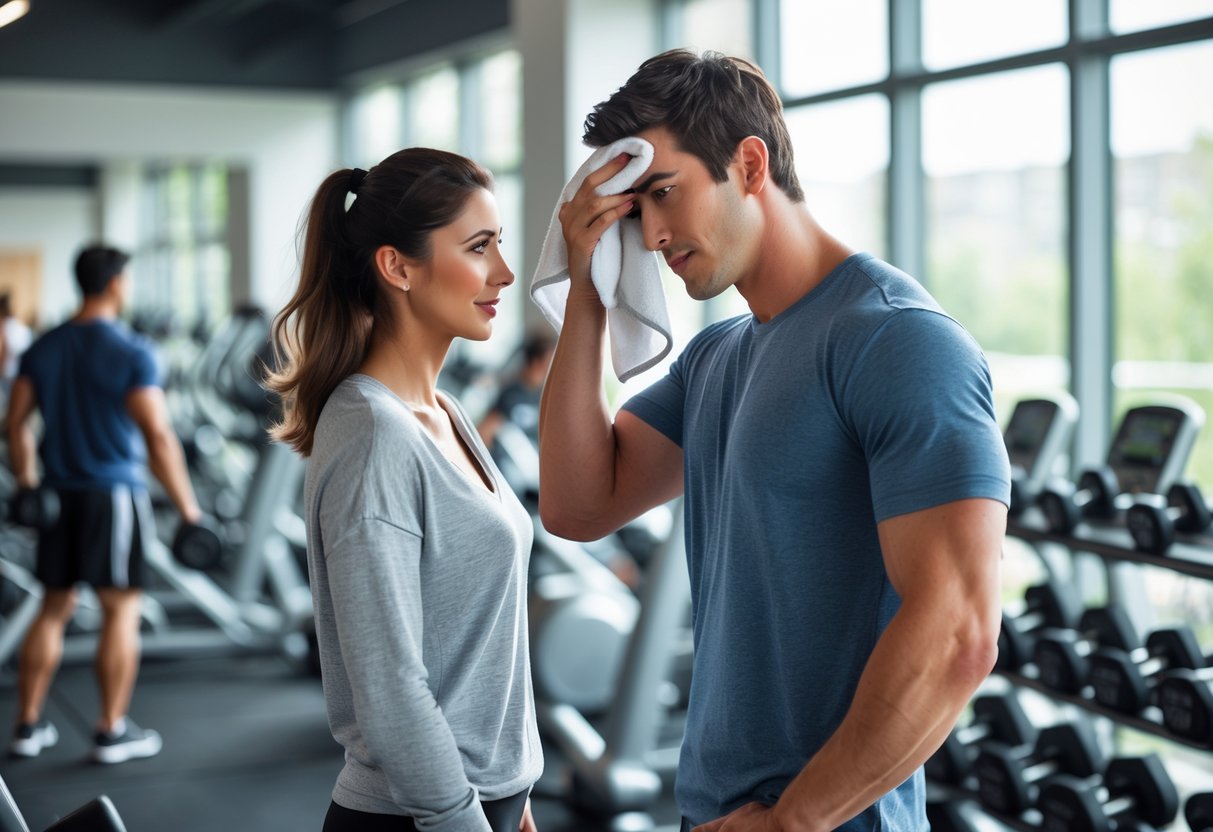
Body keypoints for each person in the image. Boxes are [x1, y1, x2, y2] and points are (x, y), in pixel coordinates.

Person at [537, 50, 1010, 832]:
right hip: (717, 810)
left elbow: (960, 632)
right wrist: (588, 289)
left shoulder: (896, 340)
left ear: (748, 164)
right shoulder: (718, 357)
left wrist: (794, 820)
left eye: (664, 195)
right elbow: (577, 505)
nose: (652, 234)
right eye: (635, 212)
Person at [266, 148, 542, 832]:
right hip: (420, 817)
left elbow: (475, 647)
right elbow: (390, 690)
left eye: (499, 245)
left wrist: (518, 793)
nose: (503, 273)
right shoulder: (374, 434)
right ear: (397, 267)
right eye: (479, 248)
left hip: (488, 800)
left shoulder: (443, 412)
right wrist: (463, 819)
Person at [6, 244, 202, 764]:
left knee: (52, 607)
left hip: (57, 494)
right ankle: (111, 731)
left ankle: (26, 726)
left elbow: (15, 426)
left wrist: (28, 482)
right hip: (112, 495)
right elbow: (158, 436)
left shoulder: (43, 347)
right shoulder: (133, 350)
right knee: (121, 609)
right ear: (116, 283)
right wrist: (189, 510)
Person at [477, 330, 555, 450]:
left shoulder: (547, 397)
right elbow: (485, 432)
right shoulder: (511, 394)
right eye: (549, 361)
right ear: (536, 363)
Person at [0, 293, 33, 400]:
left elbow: (4, 351)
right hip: (20, 373)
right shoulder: (20, 327)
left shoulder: (4, 326)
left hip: (7, 373)